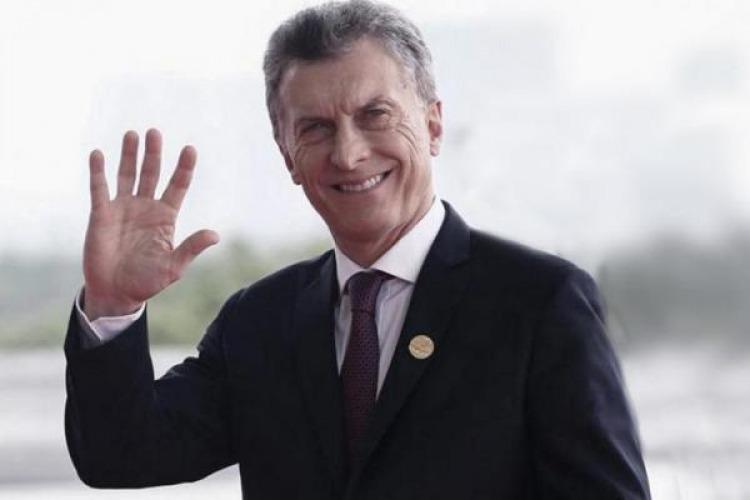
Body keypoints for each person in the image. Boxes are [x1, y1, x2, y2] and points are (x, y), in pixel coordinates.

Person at [64, 1, 651, 498]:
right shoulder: (258, 323)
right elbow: (122, 456)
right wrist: (112, 305)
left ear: (434, 124)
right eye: (315, 128)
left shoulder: (538, 303)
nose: (348, 154)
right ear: (287, 154)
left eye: (375, 115)